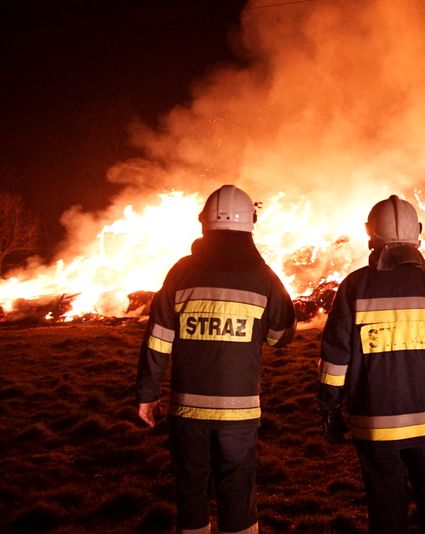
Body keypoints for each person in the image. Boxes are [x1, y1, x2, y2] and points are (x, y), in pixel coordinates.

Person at [136, 184, 296, 534]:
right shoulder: (263, 276)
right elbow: (282, 335)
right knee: (237, 487)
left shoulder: (181, 273)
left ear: (203, 224)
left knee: (190, 488)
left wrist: (147, 395)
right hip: (238, 412)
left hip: (186, 410)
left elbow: (158, 339)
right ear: (250, 223)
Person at [317, 194, 425, 534]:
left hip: (373, 423)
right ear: (417, 232)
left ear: (369, 234)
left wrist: (330, 411)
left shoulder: (354, 287)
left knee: (386, 506)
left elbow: (335, 360)